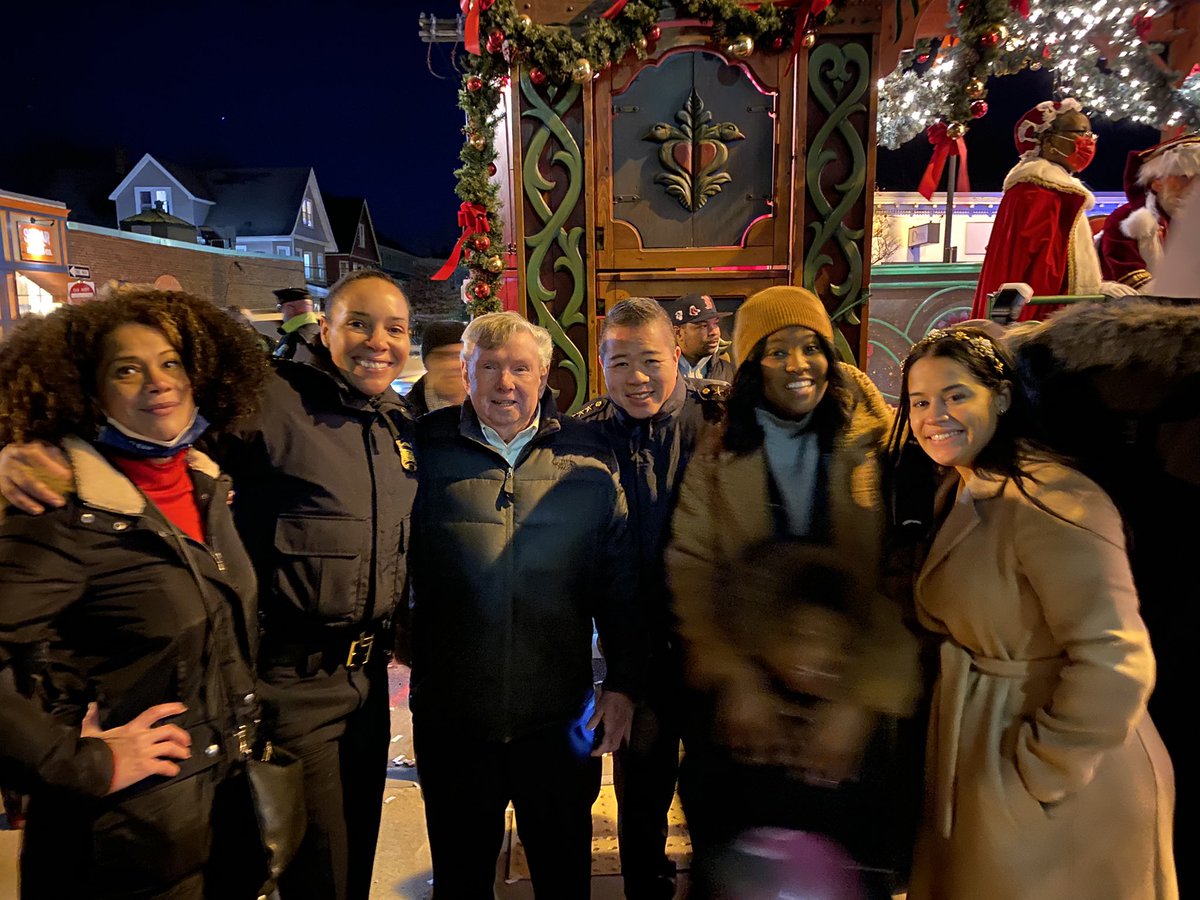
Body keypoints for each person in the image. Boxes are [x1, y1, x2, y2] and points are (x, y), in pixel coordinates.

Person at [0, 268, 419, 900]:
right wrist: (18, 447)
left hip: (354, 688)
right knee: (317, 873)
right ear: (322, 328)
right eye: (357, 323)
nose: (377, 341)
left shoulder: (394, 422)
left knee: (345, 858)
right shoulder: (272, 399)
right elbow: (136, 439)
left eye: (396, 328)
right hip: (285, 687)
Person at [887, 327, 1177, 899]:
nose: (932, 415)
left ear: (1001, 396)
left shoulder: (1052, 500)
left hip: (1066, 789)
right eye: (919, 401)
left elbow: (1116, 658)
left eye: (955, 395)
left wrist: (1041, 771)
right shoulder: (965, 486)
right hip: (990, 750)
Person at [0, 289, 270, 898]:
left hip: (216, 816)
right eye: (127, 368)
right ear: (87, 391)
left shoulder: (202, 485)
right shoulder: (58, 508)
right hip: (124, 843)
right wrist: (81, 761)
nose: (158, 381)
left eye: (170, 361)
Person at [666, 285, 920, 899]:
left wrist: (861, 700)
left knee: (850, 867)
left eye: (811, 347)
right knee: (739, 863)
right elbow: (692, 566)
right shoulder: (719, 452)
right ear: (751, 363)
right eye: (776, 350)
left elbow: (903, 575)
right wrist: (737, 679)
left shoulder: (879, 445)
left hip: (852, 686)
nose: (797, 364)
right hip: (752, 696)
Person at [409, 311, 645, 898]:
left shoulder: (588, 459)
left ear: (544, 377)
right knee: (462, 879)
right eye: (488, 367)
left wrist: (623, 682)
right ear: (466, 374)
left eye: (520, 368)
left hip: (557, 715)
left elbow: (618, 584)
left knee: (564, 875)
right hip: (453, 721)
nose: (504, 383)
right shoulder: (425, 451)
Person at [573, 297, 726, 900]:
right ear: (601, 363)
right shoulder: (582, 433)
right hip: (634, 658)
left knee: (718, 794)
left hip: (716, 653)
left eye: (650, 360)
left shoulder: (724, 417)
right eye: (619, 363)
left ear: (676, 354)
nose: (636, 378)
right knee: (639, 795)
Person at [970, 99, 1135, 321]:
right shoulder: (1038, 193)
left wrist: (1096, 288)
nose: (1088, 141)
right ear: (1048, 141)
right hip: (1042, 321)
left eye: (1091, 135)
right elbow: (1034, 272)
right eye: (1080, 132)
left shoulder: (1055, 191)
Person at [1098, 134, 1200, 289]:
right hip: (1137, 306)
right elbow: (1130, 277)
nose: (1193, 186)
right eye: (1184, 177)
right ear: (1157, 182)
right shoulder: (1126, 219)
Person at [662, 293, 735, 384]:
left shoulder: (729, 371)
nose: (714, 332)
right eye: (703, 326)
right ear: (678, 333)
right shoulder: (660, 369)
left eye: (715, 323)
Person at [405, 319, 466, 416]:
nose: (452, 365)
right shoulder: (403, 417)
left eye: (460, 356)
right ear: (426, 363)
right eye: (441, 356)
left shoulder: (493, 408)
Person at [272, 286, 321, 362]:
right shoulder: (322, 333)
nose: (281, 313)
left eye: (280, 308)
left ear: (290, 308)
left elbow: (278, 366)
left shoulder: (293, 338)